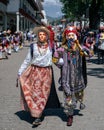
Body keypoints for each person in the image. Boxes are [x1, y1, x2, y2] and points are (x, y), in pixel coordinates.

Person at [17, 26, 59, 127]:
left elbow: (57, 58)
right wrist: (20, 72)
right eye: (40, 34)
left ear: (47, 36)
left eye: (43, 34)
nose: (41, 36)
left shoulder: (51, 46)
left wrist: (63, 64)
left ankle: (39, 111)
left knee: (44, 94)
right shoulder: (33, 47)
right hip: (34, 72)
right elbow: (27, 60)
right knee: (36, 93)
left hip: (47, 73)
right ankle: (37, 116)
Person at [52, 26, 87, 126]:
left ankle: (73, 108)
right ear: (66, 37)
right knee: (68, 97)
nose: (71, 37)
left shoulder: (80, 47)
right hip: (66, 77)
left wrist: (87, 52)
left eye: (72, 35)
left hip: (77, 77)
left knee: (76, 96)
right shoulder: (62, 49)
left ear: (75, 36)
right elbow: (54, 58)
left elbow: (90, 53)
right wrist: (59, 61)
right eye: (69, 35)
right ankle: (70, 116)